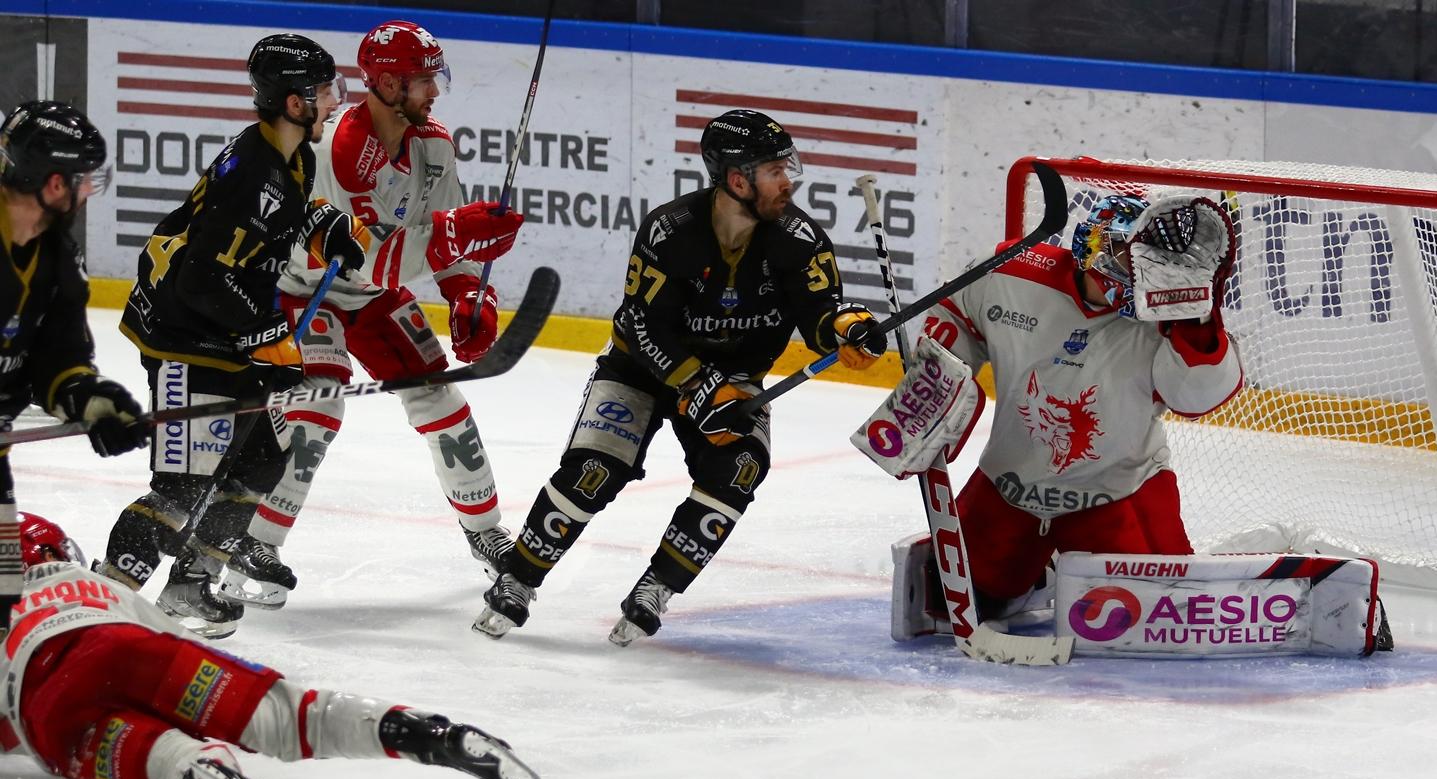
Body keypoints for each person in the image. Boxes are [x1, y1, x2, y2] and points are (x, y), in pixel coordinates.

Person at [472, 109, 887, 645]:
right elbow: (642, 325)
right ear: (738, 180)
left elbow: (819, 314)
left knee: (739, 469)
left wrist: (846, 328)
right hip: (642, 368)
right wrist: (694, 385)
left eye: (788, 166)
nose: (789, 180)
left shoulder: (800, 239)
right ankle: (519, 579)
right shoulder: (670, 231)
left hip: (734, 378)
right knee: (595, 468)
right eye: (774, 169)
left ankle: (657, 586)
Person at [1, 513, 536, 779]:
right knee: (285, 714)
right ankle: (423, 733)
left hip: (42, 708)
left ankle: (196, 770)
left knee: (154, 753)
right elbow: (172, 649)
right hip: (121, 641)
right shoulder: (87, 583)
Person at [241, 20, 526, 610]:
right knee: (320, 402)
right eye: (424, 81)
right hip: (302, 289)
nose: (435, 92)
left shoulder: (434, 145)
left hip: (370, 294)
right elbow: (373, 258)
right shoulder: (340, 149)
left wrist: (472, 297)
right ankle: (255, 543)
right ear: (389, 84)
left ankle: (486, 532)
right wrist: (459, 234)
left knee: (441, 400)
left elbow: (447, 249)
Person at [96, 33, 370, 638]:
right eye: (326, 92)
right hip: (185, 339)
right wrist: (267, 335)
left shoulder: (290, 153)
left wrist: (324, 227)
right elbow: (201, 279)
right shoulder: (253, 170)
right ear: (296, 101)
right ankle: (105, 599)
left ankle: (190, 587)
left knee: (260, 460)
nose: (334, 103)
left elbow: (279, 218)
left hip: (222, 332)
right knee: (181, 489)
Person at [899, 192, 1245, 623]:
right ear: (1092, 243)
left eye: (1149, 265)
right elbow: (957, 313)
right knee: (956, 598)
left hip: (1117, 491)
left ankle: (1056, 562)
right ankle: (1038, 572)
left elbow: (1197, 398)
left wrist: (1199, 326)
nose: (1138, 275)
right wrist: (938, 388)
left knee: (1159, 613)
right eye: (1125, 257)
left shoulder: (1166, 318)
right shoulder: (1012, 271)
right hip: (1012, 483)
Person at [0, 101, 151, 615]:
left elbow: (57, 358)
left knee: (3, 602)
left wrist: (88, 399)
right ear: (54, 183)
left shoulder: (56, 258)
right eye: (84, 179)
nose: (90, 191)